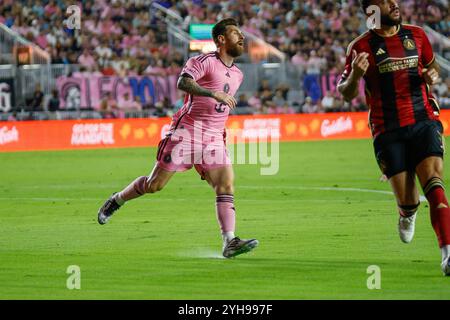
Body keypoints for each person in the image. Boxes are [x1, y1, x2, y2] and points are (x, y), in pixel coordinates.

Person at [97, 19, 259, 259]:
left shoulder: (238, 74)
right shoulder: (203, 61)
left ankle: (230, 241)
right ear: (221, 39)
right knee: (155, 185)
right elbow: (183, 81)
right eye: (235, 33)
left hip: (214, 138)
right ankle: (118, 199)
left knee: (225, 185)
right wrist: (212, 92)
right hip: (187, 133)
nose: (241, 37)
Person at [338, 0, 449, 275]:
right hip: (387, 130)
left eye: (394, 0)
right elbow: (346, 92)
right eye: (385, 2)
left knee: (435, 186)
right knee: (409, 200)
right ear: (371, 11)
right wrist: (355, 75)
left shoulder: (418, 35)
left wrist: (431, 75)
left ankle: (447, 254)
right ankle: (406, 212)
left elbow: (432, 68)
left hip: (424, 121)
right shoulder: (359, 47)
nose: (393, 4)